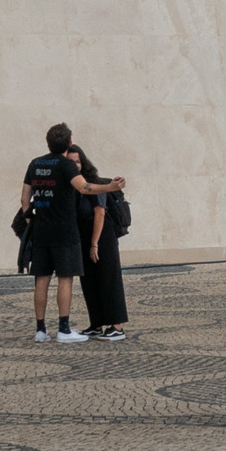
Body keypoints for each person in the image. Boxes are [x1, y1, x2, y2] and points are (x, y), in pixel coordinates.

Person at [19, 123, 122, 343]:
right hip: (65, 232)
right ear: (69, 143)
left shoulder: (34, 164)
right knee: (65, 278)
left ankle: (40, 330)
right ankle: (64, 329)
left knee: (42, 279)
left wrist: (30, 220)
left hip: (42, 232)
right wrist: (110, 187)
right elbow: (85, 188)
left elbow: (24, 199)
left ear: (48, 142)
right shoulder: (66, 165)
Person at [68, 141, 128, 340]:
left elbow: (100, 213)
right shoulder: (72, 185)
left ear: (83, 162)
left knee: (108, 278)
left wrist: (95, 243)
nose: (74, 165)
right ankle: (96, 323)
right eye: (70, 162)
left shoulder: (93, 182)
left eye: (77, 161)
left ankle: (116, 326)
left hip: (102, 235)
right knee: (89, 280)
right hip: (84, 235)